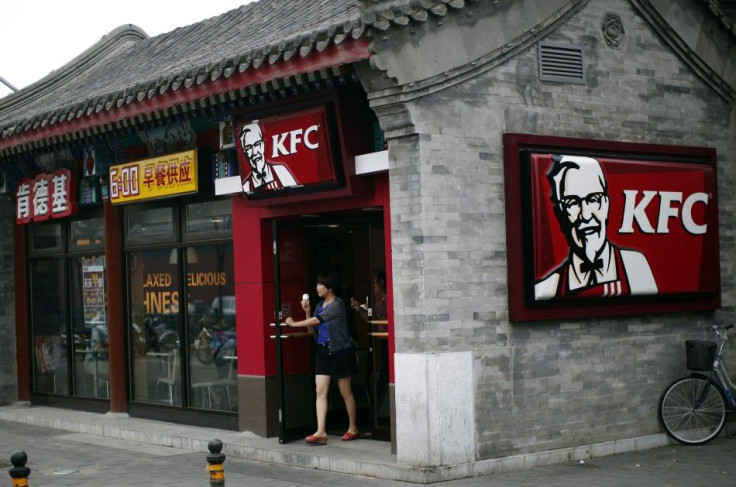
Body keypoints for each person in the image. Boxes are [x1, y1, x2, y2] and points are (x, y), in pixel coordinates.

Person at [535, 155, 658, 300]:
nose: (586, 215)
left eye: (593, 199)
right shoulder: (547, 288)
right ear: (561, 212)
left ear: (606, 204)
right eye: (573, 203)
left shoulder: (635, 267)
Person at [284, 271, 359, 445]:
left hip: (340, 352)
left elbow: (316, 322)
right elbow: (312, 331)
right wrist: (307, 312)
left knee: (345, 392)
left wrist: (294, 323)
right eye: (317, 284)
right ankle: (321, 432)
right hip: (323, 351)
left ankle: (353, 427)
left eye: (320, 284)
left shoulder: (338, 304)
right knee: (320, 390)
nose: (317, 287)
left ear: (330, 287)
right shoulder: (318, 306)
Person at [238, 121, 297, 192]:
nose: (255, 152)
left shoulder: (280, 171)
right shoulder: (246, 187)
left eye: (257, 144)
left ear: (263, 144)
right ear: (244, 152)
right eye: (248, 148)